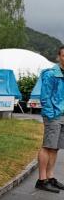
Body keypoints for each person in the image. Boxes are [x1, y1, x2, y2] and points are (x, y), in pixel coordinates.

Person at [36, 45, 64, 192]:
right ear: (59, 57)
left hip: (63, 115)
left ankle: (50, 177)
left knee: (55, 147)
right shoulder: (51, 74)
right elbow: (45, 97)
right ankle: (41, 180)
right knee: (47, 146)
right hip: (54, 115)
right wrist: (51, 114)